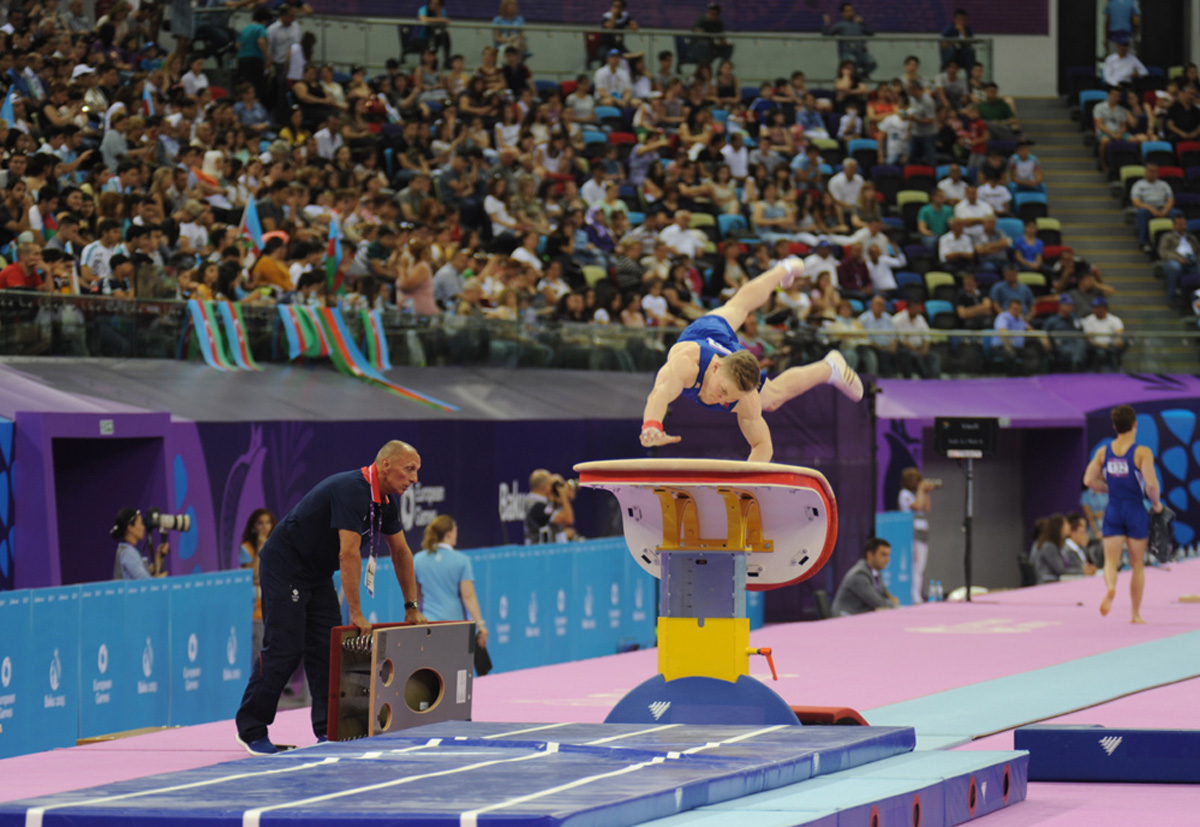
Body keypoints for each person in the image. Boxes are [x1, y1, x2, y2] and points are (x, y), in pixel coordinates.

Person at [234, 441, 428, 755]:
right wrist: (357, 613)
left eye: (417, 471)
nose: (414, 478)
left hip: (316, 573)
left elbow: (401, 552)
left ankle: (328, 730)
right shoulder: (353, 489)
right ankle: (251, 729)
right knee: (285, 647)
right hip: (286, 566)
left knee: (327, 650)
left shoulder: (386, 504)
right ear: (386, 464)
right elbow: (349, 553)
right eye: (410, 469)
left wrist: (412, 606)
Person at [639, 259, 864, 462]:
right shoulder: (686, 365)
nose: (720, 398)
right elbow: (660, 393)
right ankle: (782, 270)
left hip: (732, 357)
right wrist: (651, 426)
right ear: (716, 367)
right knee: (738, 306)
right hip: (706, 334)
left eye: (729, 397)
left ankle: (830, 367)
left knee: (771, 399)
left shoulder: (746, 399)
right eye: (723, 390)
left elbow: (763, 446)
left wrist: (746, 485)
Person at [1083, 404, 1163, 623]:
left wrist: (1110, 488)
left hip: (1114, 508)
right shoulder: (1142, 452)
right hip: (1135, 508)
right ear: (1135, 425)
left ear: (1115, 426)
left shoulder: (1103, 452)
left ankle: (1110, 587)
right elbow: (1151, 485)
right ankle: (1135, 614)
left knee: (1110, 560)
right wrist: (1156, 504)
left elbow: (1089, 480)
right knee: (1137, 563)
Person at [414, 516, 489, 655]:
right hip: (455, 625)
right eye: (455, 531)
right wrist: (480, 624)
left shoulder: (418, 559)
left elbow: (415, 596)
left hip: (428, 624)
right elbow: (468, 596)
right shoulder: (462, 560)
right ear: (449, 534)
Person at [239, 508, 277, 665]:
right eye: (260, 523)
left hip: (275, 606)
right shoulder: (246, 548)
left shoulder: (277, 544)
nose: (264, 527)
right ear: (253, 527)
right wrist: (261, 547)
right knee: (259, 654)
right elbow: (255, 577)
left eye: (268, 522)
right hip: (256, 610)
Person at [831, 538, 898, 616]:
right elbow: (878, 602)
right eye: (883, 555)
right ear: (869, 554)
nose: (887, 560)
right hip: (844, 618)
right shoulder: (859, 575)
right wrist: (892, 603)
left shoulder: (875, 572)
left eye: (888, 555)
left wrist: (890, 601)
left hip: (858, 616)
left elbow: (885, 595)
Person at [898, 467, 936, 604]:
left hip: (922, 533)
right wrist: (921, 490)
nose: (918, 484)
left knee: (920, 567)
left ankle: (917, 594)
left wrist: (926, 493)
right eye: (917, 481)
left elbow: (926, 508)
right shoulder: (904, 494)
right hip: (911, 533)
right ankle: (914, 595)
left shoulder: (916, 494)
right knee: (914, 565)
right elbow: (917, 506)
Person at [111, 508, 169, 580]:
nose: (143, 527)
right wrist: (161, 578)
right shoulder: (128, 553)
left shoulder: (126, 550)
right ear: (130, 528)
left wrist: (158, 557)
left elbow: (144, 574)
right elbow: (145, 582)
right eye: (141, 523)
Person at [1031, 513, 1091, 584]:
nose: (1069, 526)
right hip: (1047, 582)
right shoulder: (1049, 546)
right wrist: (1083, 571)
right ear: (1059, 528)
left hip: (1055, 579)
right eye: (1066, 524)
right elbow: (1060, 569)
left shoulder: (1057, 545)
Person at [822, 3, 875, 79]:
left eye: (851, 10)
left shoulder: (858, 24)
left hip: (861, 52)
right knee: (851, 63)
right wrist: (826, 23)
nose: (850, 13)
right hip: (847, 53)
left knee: (871, 63)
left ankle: (861, 76)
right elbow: (827, 34)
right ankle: (848, 79)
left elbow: (871, 32)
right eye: (847, 11)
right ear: (842, 13)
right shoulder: (840, 25)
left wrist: (863, 22)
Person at [524, 469, 575, 544]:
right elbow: (568, 519)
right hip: (540, 553)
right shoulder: (537, 506)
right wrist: (563, 496)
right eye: (550, 485)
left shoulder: (539, 503)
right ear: (545, 487)